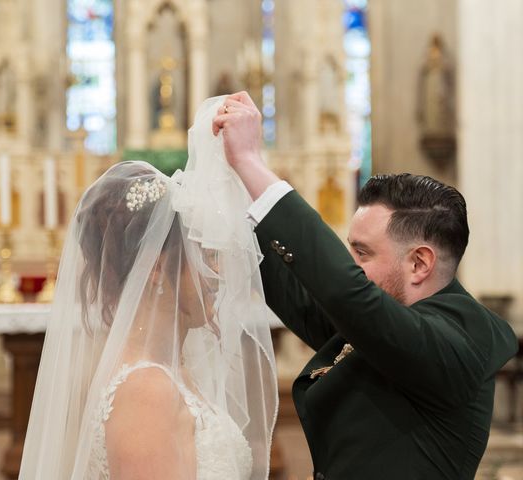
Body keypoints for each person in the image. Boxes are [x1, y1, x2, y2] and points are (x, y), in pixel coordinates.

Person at [213, 91, 518, 479]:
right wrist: (226, 205)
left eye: (362, 253)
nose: (351, 266)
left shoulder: (459, 341)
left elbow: (345, 290)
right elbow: (309, 299)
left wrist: (252, 163)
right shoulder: (388, 326)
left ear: (419, 263)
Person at [19, 97, 278, 480]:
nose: (217, 272)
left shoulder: (167, 369)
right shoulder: (147, 391)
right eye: (203, 255)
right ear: (157, 269)